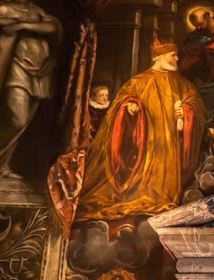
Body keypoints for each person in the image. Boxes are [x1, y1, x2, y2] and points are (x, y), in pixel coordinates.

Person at [76, 37, 205, 222]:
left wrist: (186, 110)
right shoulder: (137, 82)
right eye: (173, 55)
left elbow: (196, 104)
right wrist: (129, 107)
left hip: (168, 151)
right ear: (159, 56)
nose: (177, 59)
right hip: (143, 150)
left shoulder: (182, 84)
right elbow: (119, 108)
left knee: (163, 195)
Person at [0, 0, 62, 179]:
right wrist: (7, 24)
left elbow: (54, 28)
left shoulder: (38, 11)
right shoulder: (4, 9)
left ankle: (1, 166)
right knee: (16, 118)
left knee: (24, 122)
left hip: (38, 72)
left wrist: (21, 25)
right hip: (15, 67)